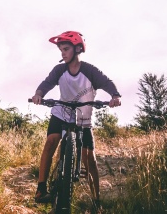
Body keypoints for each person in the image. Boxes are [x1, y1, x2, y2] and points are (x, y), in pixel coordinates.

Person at [31, 31, 121, 208]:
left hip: (83, 116)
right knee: (51, 141)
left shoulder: (89, 70)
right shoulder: (59, 70)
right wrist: (38, 94)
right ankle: (41, 188)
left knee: (89, 159)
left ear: (78, 48)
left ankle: (96, 200)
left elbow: (107, 83)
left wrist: (115, 96)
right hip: (62, 111)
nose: (63, 53)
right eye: (61, 50)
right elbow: (46, 83)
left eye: (66, 49)